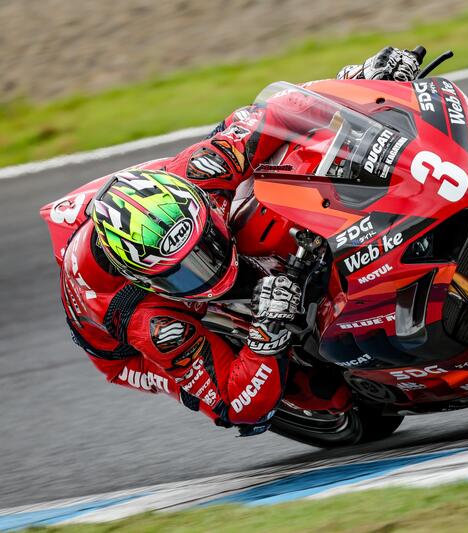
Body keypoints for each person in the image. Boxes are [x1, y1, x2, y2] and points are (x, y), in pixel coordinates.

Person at [59, 47, 420, 436]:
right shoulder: (149, 320)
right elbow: (236, 403)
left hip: (157, 203)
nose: (210, 268)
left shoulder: (201, 171)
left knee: (286, 170)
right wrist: (267, 329)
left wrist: (359, 79)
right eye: (185, 272)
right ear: (147, 280)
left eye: (206, 247)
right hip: (123, 349)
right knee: (319, 393)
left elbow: (280, 111)